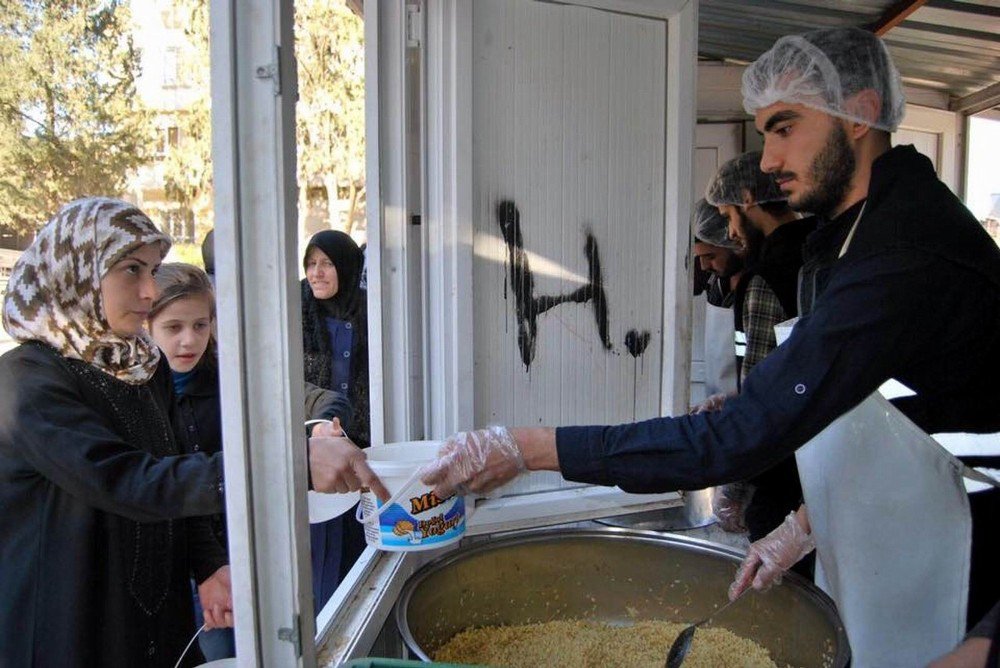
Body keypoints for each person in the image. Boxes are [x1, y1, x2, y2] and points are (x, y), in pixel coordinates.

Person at [418, 27, 1000, 667]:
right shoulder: (848, 236)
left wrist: (525, 448)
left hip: (965, 562)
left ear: (859, 113)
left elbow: (740, 444)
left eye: (784, 128)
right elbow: (898, 409)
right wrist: (803, 524)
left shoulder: (903, 250)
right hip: (895, 534)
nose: (770, 161)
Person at [0, 198, 385, 667]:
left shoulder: (142, 366)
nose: (147, 292)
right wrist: (290, 463)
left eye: (153, 270)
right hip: (69, 625)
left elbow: (174, 463)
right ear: (76, 271)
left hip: (155, 621)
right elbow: (128, 480)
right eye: (131, 270)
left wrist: (207, 564)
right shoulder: (27, 380)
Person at [704, 153, 817, 572]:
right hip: (823, 466)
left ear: (748, 200)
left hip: (785, 478)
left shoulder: (767, 274)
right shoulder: (821, 254)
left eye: (728, 216)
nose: (731, 231)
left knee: (781, 586)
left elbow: (766, 395)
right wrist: (733, 399)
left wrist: (734, 487)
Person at [300, 229, 372, 612]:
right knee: (319, 555)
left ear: (346, 266)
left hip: (363, 450)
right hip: (317, 451)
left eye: (326, 263)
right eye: (311, 264)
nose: (317, 273)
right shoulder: (295, 313)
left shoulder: (372, 312)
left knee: (357, 551)